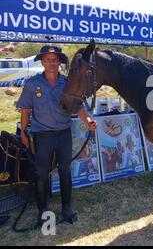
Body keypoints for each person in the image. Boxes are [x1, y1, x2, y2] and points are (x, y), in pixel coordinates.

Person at [16, 45, 96, 228]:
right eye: (47, 59)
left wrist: (88, 120)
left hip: (63, 134)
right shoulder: (32, 84)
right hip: (41, 136)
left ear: (60, 62)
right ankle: (43, 213)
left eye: (55, 59)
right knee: (41, 174)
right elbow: (26, 110)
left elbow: (79, 106)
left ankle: (67, 209)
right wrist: (22, 132)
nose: (51, 63)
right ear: (42, 62)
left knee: (65, 172)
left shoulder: (68, 83)